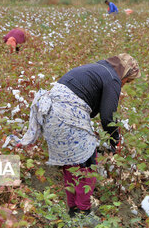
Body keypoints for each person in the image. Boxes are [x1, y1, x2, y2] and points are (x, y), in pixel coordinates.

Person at [14, 54, 141, 219]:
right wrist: (114, 142)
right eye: (128, 81)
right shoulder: (112, 78)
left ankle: (73, 211)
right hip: (66, 116)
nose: (124, 85)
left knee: (72, 165)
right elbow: (108, 117)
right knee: (88, 166)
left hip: (50, 114)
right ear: (125, 73)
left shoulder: (96, 69)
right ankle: (84, 213)